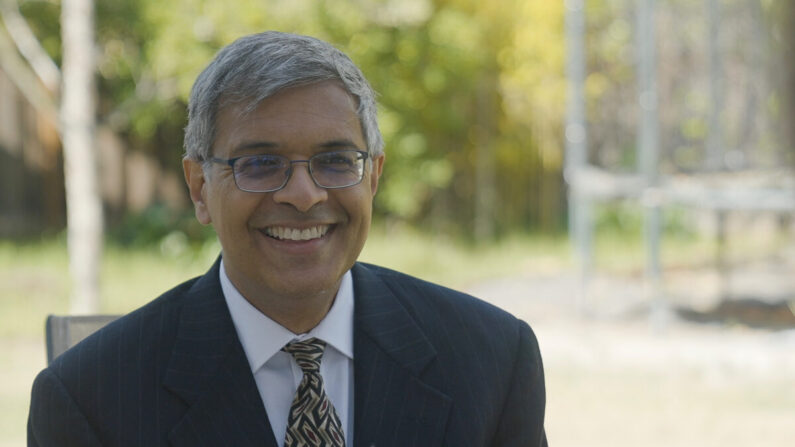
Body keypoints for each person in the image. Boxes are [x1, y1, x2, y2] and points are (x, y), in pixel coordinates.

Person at [27, 31, 547, 447]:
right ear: (199, 187)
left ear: (374, 177)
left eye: (335, 160)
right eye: (260, 163)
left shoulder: (493, 360)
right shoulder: (89, 399)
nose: (304, 194)